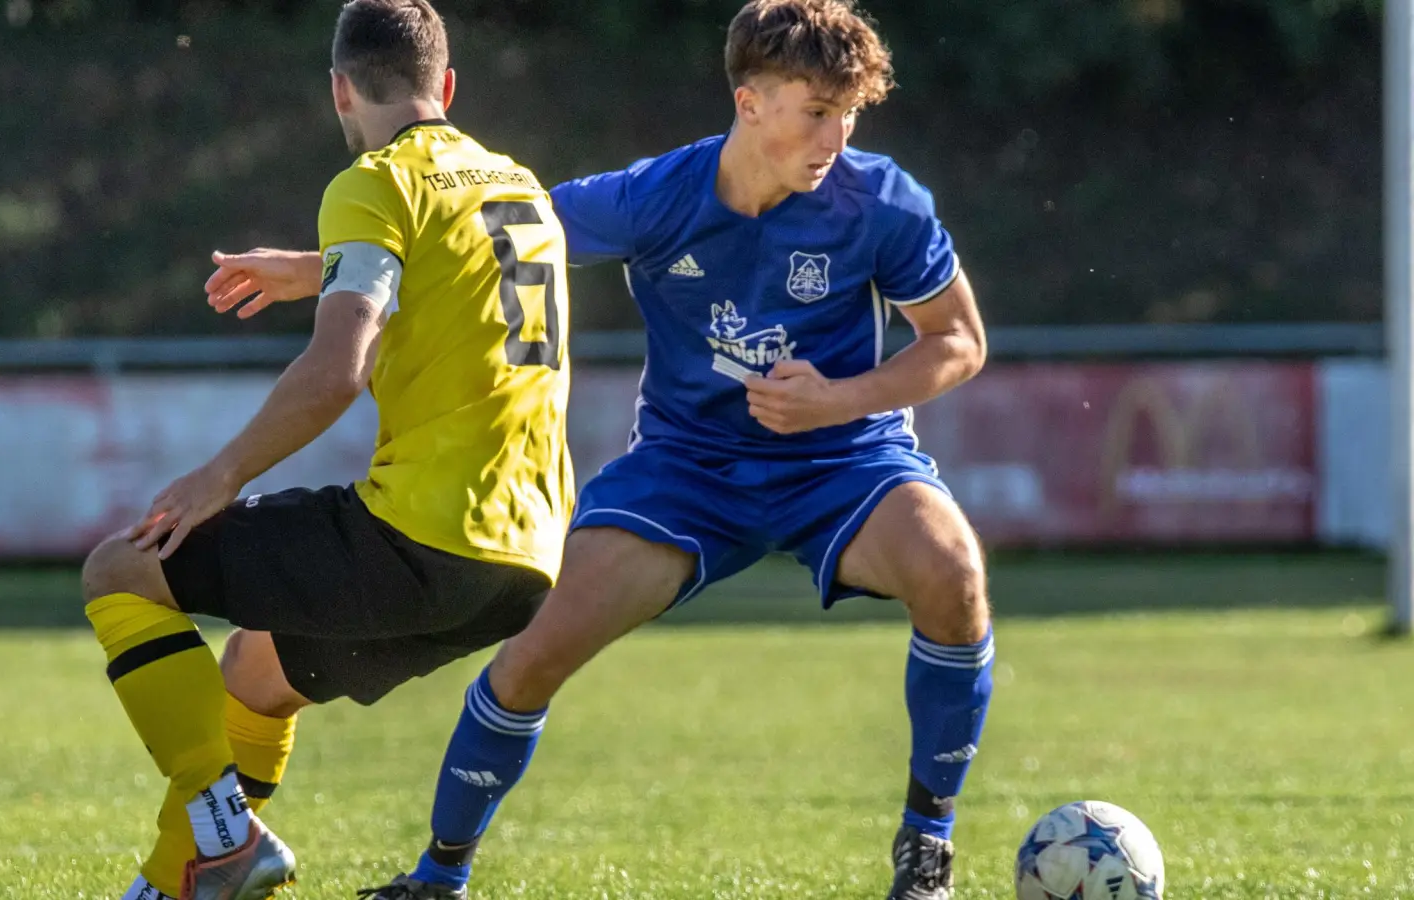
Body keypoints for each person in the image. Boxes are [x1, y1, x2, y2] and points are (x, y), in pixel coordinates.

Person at [361, 1, 992, 897]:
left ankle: (927, 842)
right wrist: (324, 270)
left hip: (843, 461)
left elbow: (958, 342)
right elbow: (481, 235)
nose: (837, 136)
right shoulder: (657, 196)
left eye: (850, 113)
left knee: (954, 574)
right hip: (687, 471)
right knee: (537, 647)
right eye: (817, 111)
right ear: (750, 102)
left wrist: (837, 401)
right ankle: (438, 875)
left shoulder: (881, 199)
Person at [74, 2, 574, 898]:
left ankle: (222, 840)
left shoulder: (374, 183)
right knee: (257, 674)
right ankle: (176, 881)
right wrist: (316, 267)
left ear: (340, 90)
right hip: (524, 567)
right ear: (447, 87)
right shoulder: (520, 187)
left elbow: (336, 369)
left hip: (420, 537)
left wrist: (214, 478)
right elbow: (440, 275)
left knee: (122, 569)